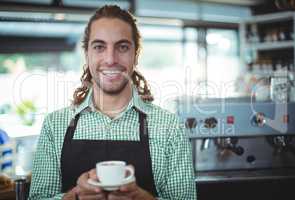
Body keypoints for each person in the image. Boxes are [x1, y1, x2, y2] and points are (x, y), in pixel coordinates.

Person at [29, 5, 197, 200]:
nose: (110, 59)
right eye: (99, 47)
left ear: (136, 54)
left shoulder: (169, 127)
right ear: (87, 54)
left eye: (122, 47)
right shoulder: (54, 125)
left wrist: (140, 198)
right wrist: (74, 196)